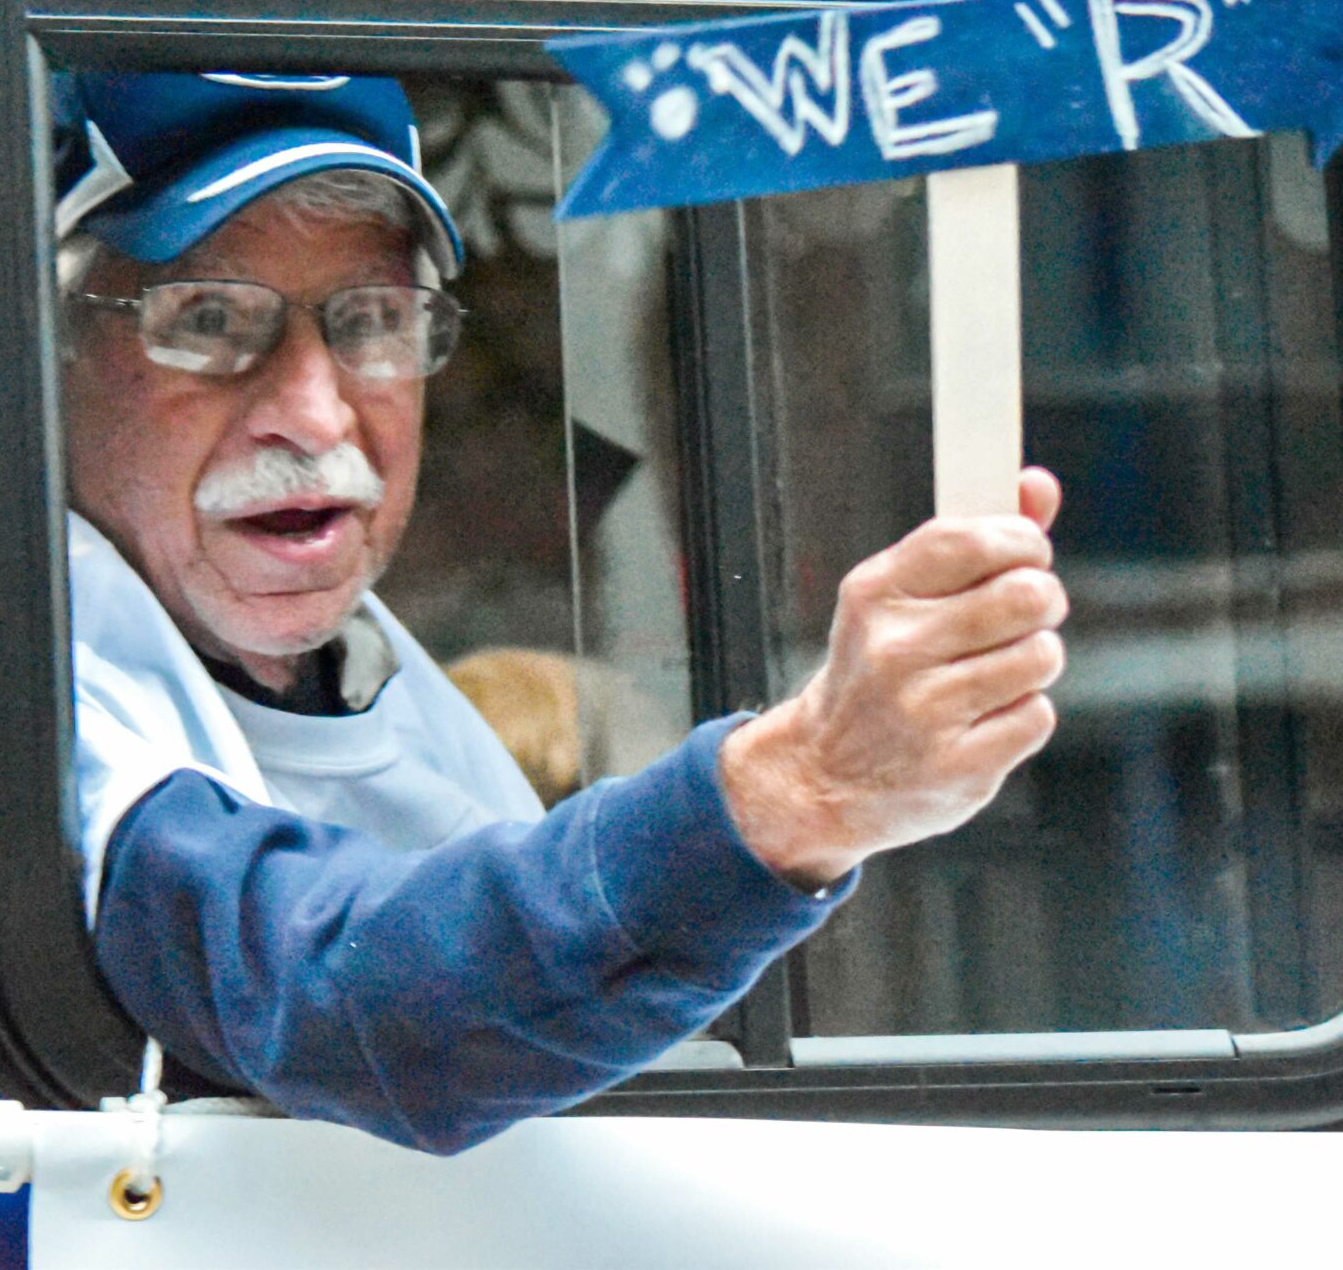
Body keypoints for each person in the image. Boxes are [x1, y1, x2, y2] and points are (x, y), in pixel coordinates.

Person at [56, 71, 1067, 1154]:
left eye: (372, 321)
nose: (314, 411)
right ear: (50, 354)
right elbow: (346, 1008)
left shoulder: (361, 675)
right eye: (208, 321)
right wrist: (805, 786)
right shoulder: (36, 688)